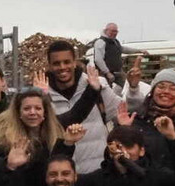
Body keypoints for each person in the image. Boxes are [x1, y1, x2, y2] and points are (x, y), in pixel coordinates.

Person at [0, 88, 83, 186]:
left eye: (38, 108)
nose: (33, 112)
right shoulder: (3, 139)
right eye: (27, 108)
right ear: (19, 113)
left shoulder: (53, 134)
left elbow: (54, 168)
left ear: (44, 112)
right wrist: (10, 166)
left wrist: (67, 143)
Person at [43, 41, 120, 173]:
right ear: (49, 66)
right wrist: (42, 99)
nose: (62, 67)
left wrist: (133, 89)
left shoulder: (95, 85)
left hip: (98, 170)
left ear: (74, 62)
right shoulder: (44, 93)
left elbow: (121, 111)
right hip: (63, 177)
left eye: (67, 62)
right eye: (56, 63)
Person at [91, 23, 124, 88]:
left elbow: (122, 49)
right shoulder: (100, 42)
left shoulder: (115, 41)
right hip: (105, 74)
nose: (114, 33)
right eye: (112, 31)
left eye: (116, 31)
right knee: (106, 91)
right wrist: (107, 73)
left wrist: (139, 51)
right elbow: (98, 60)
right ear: (106, 30)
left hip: (117, 72)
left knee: (127, 87)